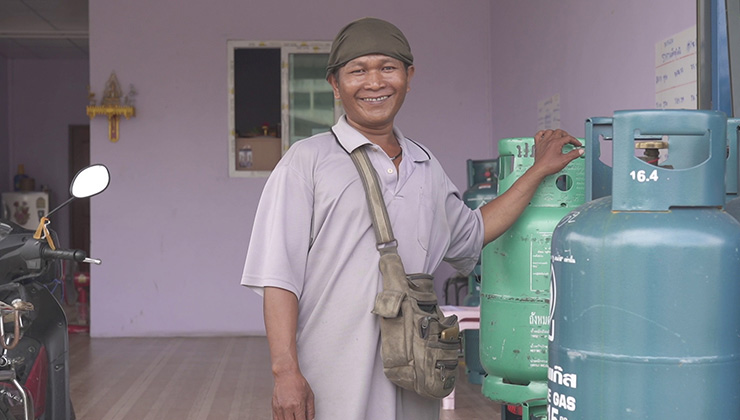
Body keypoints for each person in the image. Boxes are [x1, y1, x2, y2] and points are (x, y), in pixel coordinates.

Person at [241, 17, 583, 420]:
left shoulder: (425, 165)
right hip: (332, 379)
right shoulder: (307, 162)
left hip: (412, 375)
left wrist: (537, 171)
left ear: (408, 76)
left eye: (388, 68)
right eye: (358, 71)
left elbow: (473, 233)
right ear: (335, 84)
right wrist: (285, 372)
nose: (374, 83)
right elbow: (278, 277)